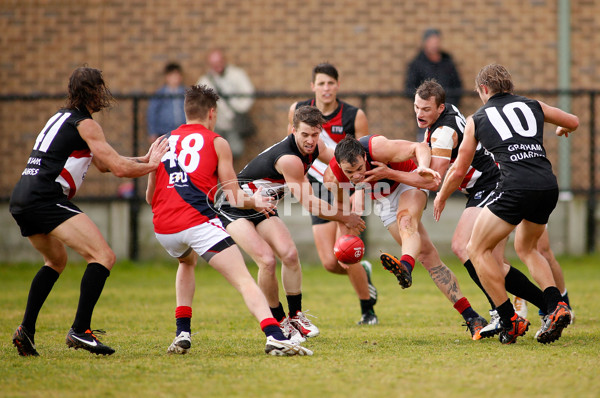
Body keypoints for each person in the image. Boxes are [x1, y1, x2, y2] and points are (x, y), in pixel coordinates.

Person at [9, 66, 169, 357]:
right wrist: (153, 165)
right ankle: (80, 330)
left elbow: (106, 163)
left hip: (22, 197)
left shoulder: (61, 117)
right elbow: (120, 169)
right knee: (104, 256)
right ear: (96, 91)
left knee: (55, 261)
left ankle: (26, 331)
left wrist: (144, 159)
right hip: (45, 197)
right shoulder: (86, 124)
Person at [145, 84, 312, 356]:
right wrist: (255, 200)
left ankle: (182, 332)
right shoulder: (216, 141)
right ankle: (275, 335)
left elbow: (150, 198)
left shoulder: (162, 142)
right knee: (245, 279)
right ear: (212, 113)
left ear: (187, 110)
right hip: (197, 221)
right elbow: (233, 197)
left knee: (186, 262)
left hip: (163, 228)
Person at [433, 63, 579, 344]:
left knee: (475, 248)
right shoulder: (532, 104)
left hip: (515, 187)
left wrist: (440, 195)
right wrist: (561, 129)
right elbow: (572, 121)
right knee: (527, 248)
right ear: (509, 87)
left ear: (484, 90)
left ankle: (508, 318)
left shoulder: (478, 118)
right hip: (547, 184)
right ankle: (555, 304)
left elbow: (459, 169)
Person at [217, 105, 365, 342]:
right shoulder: (289, 159)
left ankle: (296, 316)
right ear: (293, 130)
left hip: (262, 206)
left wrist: (362, 171)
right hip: (235, 206)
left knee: (290, 255)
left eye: (314, 135)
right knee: (266, 260)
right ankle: (280, 321)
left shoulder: (317, 146)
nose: (309, 140)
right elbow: (310, 204)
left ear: (320, 132)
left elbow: (341, 159)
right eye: (304, 134)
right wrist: (345, 216)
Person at [323, 135, 489, 340]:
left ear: (364, 156)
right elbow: (342, 213)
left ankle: (405, 267)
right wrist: (343, 244)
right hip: (383, 198)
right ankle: (473, 318)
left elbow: (419, 147)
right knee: (427, 256)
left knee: (406, 222)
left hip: (406, 181)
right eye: (350, 172)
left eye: (360, 168)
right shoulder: (332, 178)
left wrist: (424, 168)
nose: (357, 175)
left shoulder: (378, 148)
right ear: (339, 165)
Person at [287, 63, 376, 325]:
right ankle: (365, 270)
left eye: (331, 83)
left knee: (345, 254)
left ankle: (367, 310)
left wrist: (359, 193)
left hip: (346, 189)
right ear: (313, 86)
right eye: (321, 83)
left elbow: (365, 157)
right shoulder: (298, 110)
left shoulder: (354, 115)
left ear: (338, 85)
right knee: (329, 262)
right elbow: (291, 151)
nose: (326, 88)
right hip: (316, 188)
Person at [405, 28, 463, 141]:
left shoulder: (447, 62)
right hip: (427, 116)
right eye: (432, 41)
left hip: (447, 112)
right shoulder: (417, 63)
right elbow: (409, 87)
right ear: (425, 43)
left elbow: (457, 85)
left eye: (437, 41)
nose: (435, 45)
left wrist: (450, 103)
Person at [197, 49, 255, 158]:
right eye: (214, 64)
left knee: (236, 150)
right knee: (214, 152)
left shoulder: (237, 74)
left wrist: (239, 108)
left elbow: (248, 94)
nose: (217, 66)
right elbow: (198, 103)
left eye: (219, 62)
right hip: (216, 124)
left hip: (234, 122)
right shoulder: (205, 81)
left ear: (224, 60)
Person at [147, 62, 187, 144]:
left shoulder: (186, 93)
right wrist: (152, 132)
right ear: (167, 77)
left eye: (177, 75)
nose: (175, 78)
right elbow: (152, 113)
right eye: (172, 75)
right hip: (164, 133)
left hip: (183, 133)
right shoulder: (160, 94)